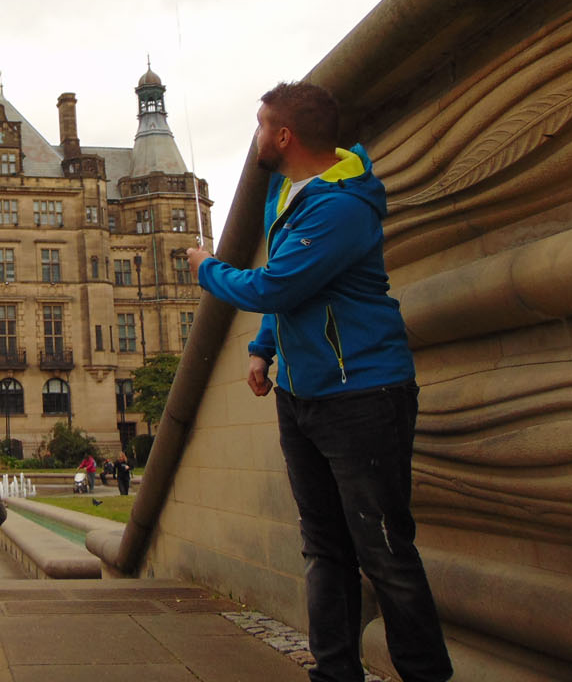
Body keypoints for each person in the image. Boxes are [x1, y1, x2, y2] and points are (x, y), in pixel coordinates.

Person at [187, 80, 452, 682]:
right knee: (324, 549)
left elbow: (275, 285)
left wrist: (207, 269)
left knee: (384, 553)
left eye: (261, 126)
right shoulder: (288, 192)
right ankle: (334, 673)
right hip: (304, 394)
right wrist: (262, 348)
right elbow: (297, 287)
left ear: (285, 136)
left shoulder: (340, 206)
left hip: (362, 394)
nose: (255, 136)